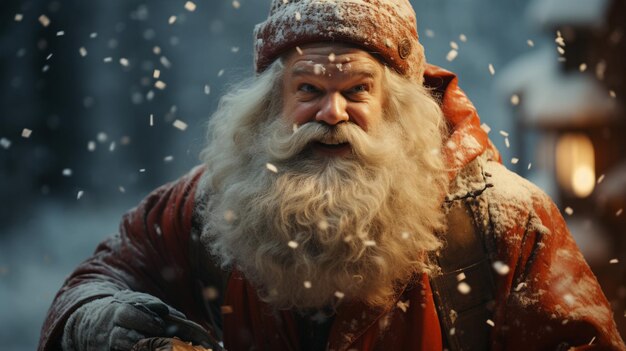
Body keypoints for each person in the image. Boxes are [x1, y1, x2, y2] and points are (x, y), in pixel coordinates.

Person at [39, 0, 626, 350]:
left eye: (356, 91)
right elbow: (91, 285)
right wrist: (103, 324)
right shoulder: (207, 205)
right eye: (310, 91)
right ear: (272, 104)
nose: (332, 114)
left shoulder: (503, 217)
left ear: (397, 102)